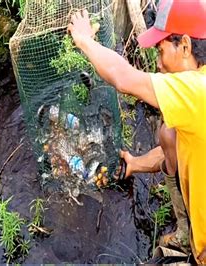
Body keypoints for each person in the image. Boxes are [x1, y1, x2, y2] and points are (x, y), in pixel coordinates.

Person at [67, 0, 206, 263]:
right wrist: (133, 164)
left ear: (185, 46)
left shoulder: (198, 91)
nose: (159, 64)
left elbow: (124, 78)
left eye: (161, 50)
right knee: (169, 135)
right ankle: (186, 232)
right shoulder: (197, 91)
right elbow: (176, 147)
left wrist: (85, 41)